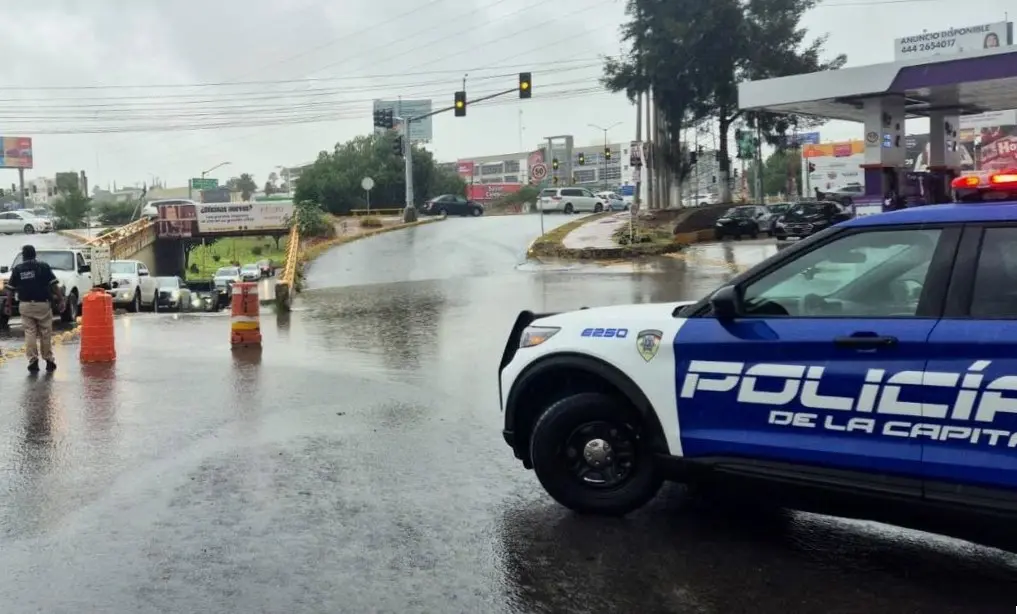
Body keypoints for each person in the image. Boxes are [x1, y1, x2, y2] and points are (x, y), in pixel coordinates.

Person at [4, 245, 64, 372]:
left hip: (25, 305)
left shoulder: (18, 269)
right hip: (43, 305)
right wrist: (61, 299)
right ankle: (49, 360)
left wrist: (8, 305)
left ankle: (33, 360)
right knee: (45, 332)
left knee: (29, 332)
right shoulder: (43, 267)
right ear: (35, 254)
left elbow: (10, 289)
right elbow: (54, 285)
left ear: (23, 256)